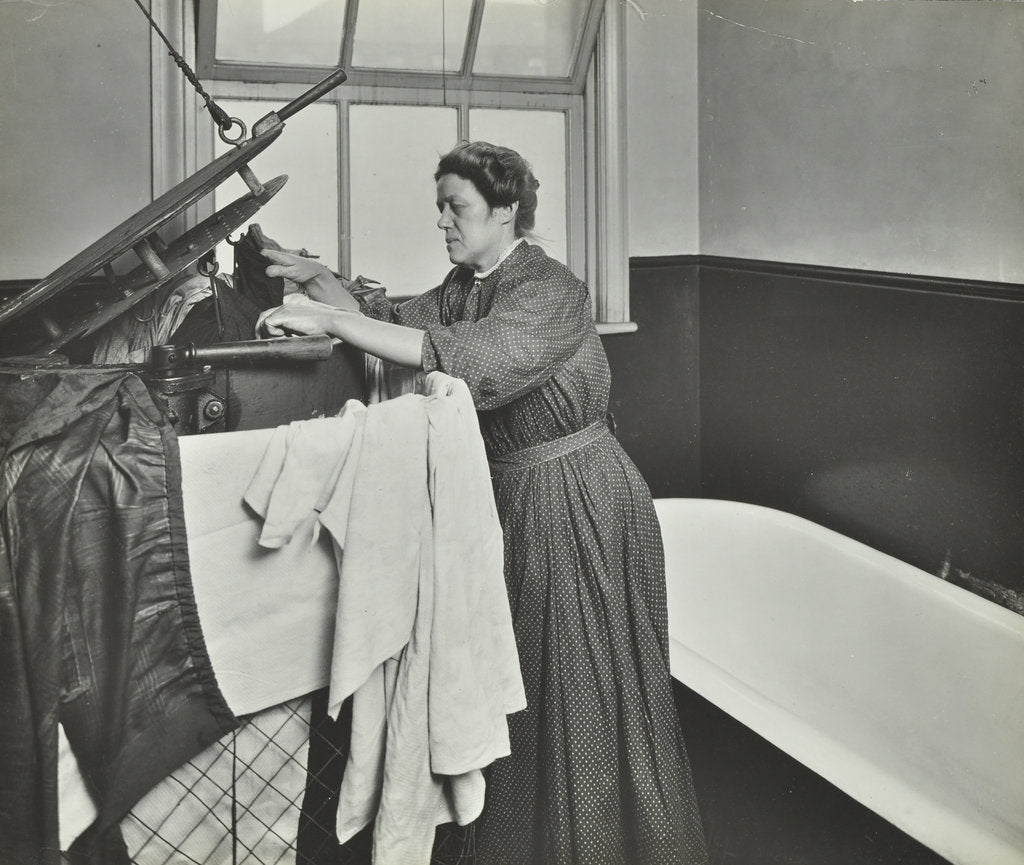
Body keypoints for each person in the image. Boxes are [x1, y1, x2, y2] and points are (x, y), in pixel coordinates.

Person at [257, 141, 708, 865]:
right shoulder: (466, 283)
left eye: (456, 207)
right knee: (525, 682)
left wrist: (332, 320)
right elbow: (400, 322)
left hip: (579, 497)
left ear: (505, 210)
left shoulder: (552, 290)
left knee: (580, 684)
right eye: (439, 206)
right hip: (516, 498)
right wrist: (323, 284)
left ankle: (598, 846)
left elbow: (461, 356)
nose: (443, 220)